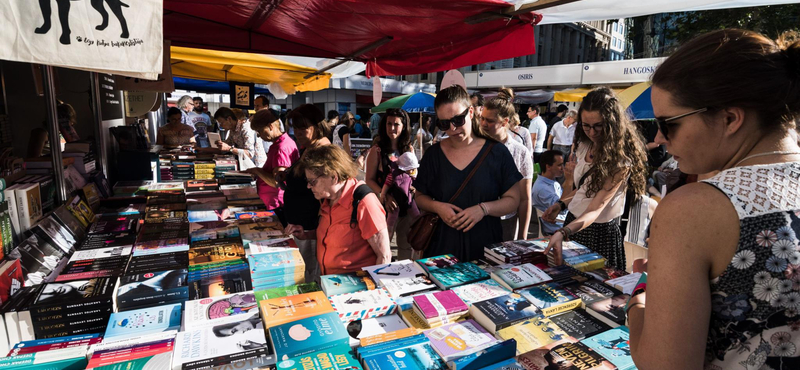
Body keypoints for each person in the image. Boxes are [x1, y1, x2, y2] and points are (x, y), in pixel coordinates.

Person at [626, 29, 800, 370]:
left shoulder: (694, 208)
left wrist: (639, 296)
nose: (659, 138)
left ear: (730, 118)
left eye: (667, 123)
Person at [542, 87, 648, 271]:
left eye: (598, 125)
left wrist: (563, 231)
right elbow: (585, 190)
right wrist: (561, 205)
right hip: (573, 224)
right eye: (586, 125)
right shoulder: (584, 145)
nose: (592, 132)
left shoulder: (620, 161)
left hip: (599, 234)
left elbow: (595, 208)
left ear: (612, 123)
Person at [415, 86, 522, 262]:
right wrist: (438, 207)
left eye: (458, 120)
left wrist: (483, 209)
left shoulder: (497, 153)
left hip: (485, 247)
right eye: (444, 124)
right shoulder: (434, 154)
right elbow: (419, 196)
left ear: (471, 112)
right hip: (441, 247)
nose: (452, 129)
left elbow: (513, 200)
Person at [291, 145, 391, 275]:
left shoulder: (364, 202)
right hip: (331, 283)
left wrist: (374, 290)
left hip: (355, 287)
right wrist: (306, 235)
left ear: (334, 176)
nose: (308, 186)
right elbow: (335, 235)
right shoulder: (327, 199)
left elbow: (384, 257)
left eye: (313, 181)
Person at [277, 104, 331, 282]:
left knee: (307, 277)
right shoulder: (308, 148)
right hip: (300, 226)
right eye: (295, 128)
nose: (297, 132)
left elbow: (327, 197)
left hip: (309, 228)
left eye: (303, 128)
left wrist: (314, 231)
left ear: (317, 127)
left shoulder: (321, 152)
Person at [480, 88, 533, 241]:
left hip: (506, 222)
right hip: (476, 218)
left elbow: (525, 198)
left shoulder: (520, 152)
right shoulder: (474, 145)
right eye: (482, 118)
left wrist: (523, 237)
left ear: (505, 122)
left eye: (489, 121)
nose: (483, 124)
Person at [365, 108, 416, 260]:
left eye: (396, 124)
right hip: (385, 209)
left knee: (406, 246)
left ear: (404, 126)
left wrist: (412, 187)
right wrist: (384, 196)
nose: (392, 128)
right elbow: (369, 180)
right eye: (389, 123)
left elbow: (413, 175)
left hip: (406, 206)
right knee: (382, 248)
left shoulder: (409, 149)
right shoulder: (377, 151)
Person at [245, 109, 299, 210]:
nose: (259, 135)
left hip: (276, 203)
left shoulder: (281, 148)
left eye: (260, 131)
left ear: (270, 126)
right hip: (272, 201)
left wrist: (257, 171)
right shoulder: (281, 143)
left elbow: (277, 181)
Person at [380, 152, 420, 230]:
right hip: (395, 198)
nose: (412, 172)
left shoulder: (409, 175)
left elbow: (408, 184)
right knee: (392, 219)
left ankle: (418, 226)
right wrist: (383, 194)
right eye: (410, 169)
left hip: (408, 198)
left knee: (416, 214)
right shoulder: (394, 174)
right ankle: (388, 231)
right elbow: (387, 184)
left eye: (413, 169)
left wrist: (411, 188)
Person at [532, 150, 566, 236]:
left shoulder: (552, 181)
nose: (563, 168)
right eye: (559, 165)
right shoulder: (542, 188)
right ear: (548, 167)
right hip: (557, 229)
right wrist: (570, 180)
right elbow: (562, 209)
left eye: (563, 164)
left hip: (561, 224)